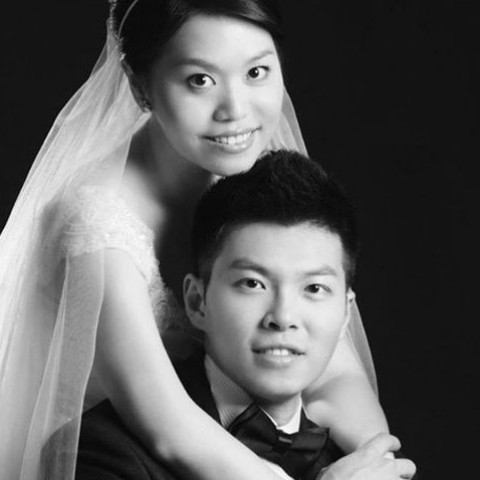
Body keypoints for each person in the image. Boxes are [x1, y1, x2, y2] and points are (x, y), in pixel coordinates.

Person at [0, 2, 386, 479]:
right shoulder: (95, 221)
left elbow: (335, 372)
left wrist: (374, 460)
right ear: (140, 86)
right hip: (111, 460)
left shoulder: (249, 170)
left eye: (257, 72)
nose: (236, 111)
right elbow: (166, 423)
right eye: (200, 80)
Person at [75, 149, 416, 480]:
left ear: (345, 314)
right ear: (197, 302)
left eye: (314, 288)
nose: (283, 317)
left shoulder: (370, 465)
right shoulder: (105, 450)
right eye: (253, 283)